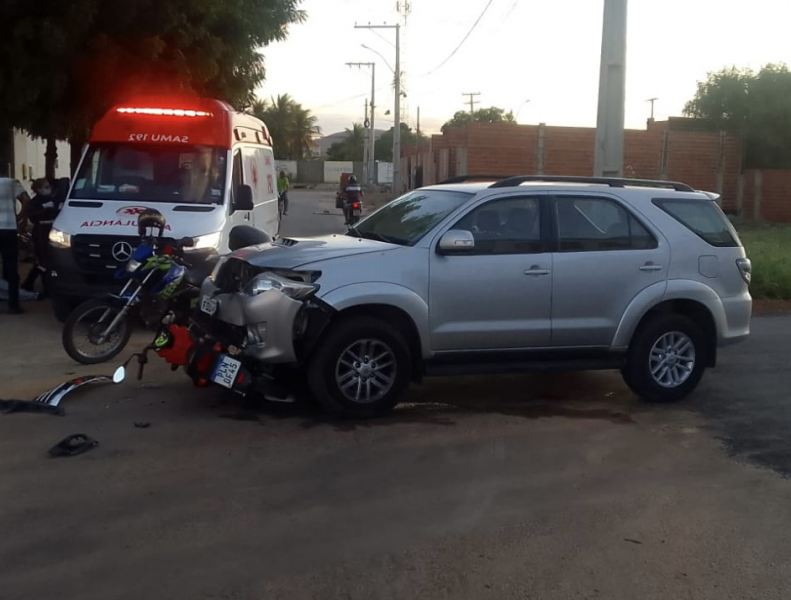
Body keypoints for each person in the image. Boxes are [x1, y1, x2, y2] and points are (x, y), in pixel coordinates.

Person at [21, 178, 60, 295]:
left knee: (50, 260)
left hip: (52, 230)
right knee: (43, 260)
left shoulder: (53, 199)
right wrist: (44, 209)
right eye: (46, 187)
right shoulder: (34, 202)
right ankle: (33, 284)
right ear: (39, 189)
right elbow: (32, 217)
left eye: (49, 187)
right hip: (41, 231)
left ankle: (32, 284)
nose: (49, 189)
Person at [0, 177, 29, 314]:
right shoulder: (11, 183)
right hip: (8, 228)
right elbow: (26, 200)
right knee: (11, 266)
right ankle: (13, 305)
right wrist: (20, 217)